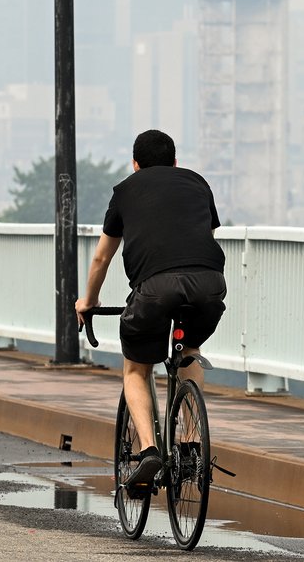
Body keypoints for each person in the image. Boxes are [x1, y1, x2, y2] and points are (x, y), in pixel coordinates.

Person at [74, 129, 227, 488]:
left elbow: (101, 257)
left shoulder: (126, 191)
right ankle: (190, 445)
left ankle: (148, 452)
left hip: (155, 290)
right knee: (189, 350)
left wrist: (89, 302)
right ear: (175, 162)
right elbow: (205, 237)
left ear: (135, 164)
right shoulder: (198, 184)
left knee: (136, 370)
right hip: (209, 285)